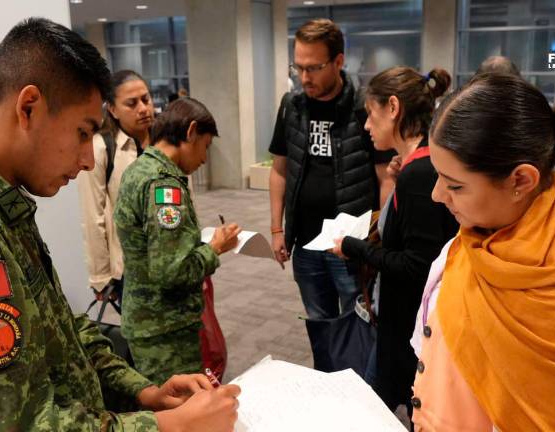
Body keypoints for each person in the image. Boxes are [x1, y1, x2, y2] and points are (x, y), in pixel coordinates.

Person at [0, 18, 240, 432]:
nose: (85, 160)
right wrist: (169, 427)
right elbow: (16, 424)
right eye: (82, 133)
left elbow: (62, 331)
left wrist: (142, 392)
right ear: (28, 107)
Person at [410, 73, 555, 431]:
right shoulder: (466, 246)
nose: (437, 195)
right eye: (438, 176)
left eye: (455, 185)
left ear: (521, 181)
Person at [329, 67, 458, 413]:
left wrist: (354, 248)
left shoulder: (419, 173)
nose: (367, 126)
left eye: (371, 114)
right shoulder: (419, 165)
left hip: (406, 330)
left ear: (393, 108)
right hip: (407, 326)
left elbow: (417, 265)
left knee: (375, 412)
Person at [267, 19, 394, 362]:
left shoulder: (363, 107)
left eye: (314, 68)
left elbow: (385, 178)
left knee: (359, 320)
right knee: (320, 322)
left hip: (350, 246)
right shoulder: (292, 106)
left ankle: (359, 390)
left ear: (339, 62)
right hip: (305, 242)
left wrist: (377, 238)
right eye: (299, 67)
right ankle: (327, 382)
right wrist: (278, 229)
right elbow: (279, 170)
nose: (304, 77)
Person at [114, 98, 242, 385]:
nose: (205, 159)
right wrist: (214, 248)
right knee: (180, 413)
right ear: (191, 132)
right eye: (205, 146)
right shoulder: (164, 185)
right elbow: (172, 271)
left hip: (149, 321)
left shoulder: (139, 169)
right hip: (166, 329)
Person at [77, 70, 154, 309]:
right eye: (132, 103)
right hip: (130, 269)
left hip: (169, 259)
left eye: (146, 99)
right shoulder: (101, 149)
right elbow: (93, 217)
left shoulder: (165, 141)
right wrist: (100, 276)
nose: (143, 108)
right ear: (112, 109)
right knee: (142, 339)